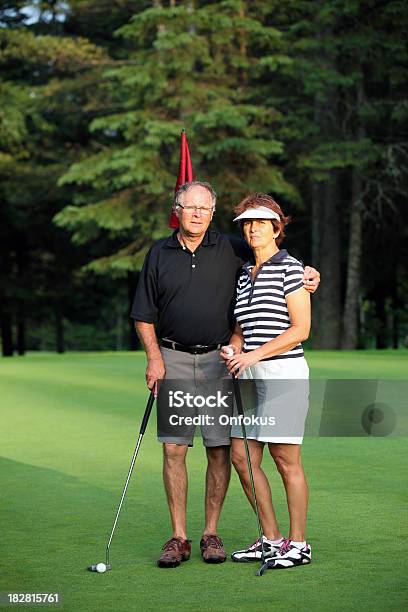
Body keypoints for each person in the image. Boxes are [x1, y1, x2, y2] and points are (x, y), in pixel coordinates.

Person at [131, 181, 320, 568]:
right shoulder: (180, 257)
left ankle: (269, 540)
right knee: (212, 452)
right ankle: (243, 537)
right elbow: (148, 314)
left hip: (254, 370)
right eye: (189, 207)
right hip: (196, 362)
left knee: (256, 455)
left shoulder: (245, 253)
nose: (253, 230)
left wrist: (310, 274)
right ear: (177, 210)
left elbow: (296, 314)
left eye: (204, 208)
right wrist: (157, 358)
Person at [221, 193, 312, 570]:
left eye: (260, 221)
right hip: (251, 376)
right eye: (246, 222)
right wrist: (234, 347)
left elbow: (301, 330)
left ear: (277, 227)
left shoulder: (292, 268)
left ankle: (300, 544)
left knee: (284, 459)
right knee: (242, 456)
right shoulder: (245, 274)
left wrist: (254, 355)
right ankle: (272, 539)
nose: (252, 228)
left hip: (283, 375)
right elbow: (243, 327)